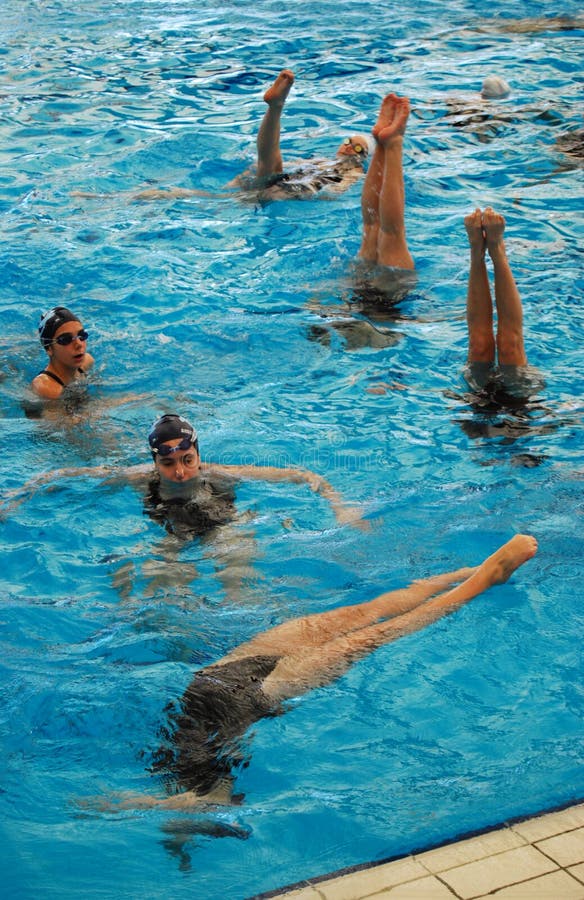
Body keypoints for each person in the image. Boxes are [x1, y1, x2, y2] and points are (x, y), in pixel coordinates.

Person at [98, 533, 537, 809]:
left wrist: (126, 806)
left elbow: (204, 802)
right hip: (217, 675)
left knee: (371, 638)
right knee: (362, 616)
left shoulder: (205, 785)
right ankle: (465, 573)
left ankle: (481, 579)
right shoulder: (177, 749)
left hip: (255, 694)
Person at [1, 413, 365, 536]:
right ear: (155, 463)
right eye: (169, 464)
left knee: (236, 568)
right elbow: (62, 474)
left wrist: (342, 507)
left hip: (221, 524)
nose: (179, 471)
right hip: (171, 532)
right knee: (168, 581)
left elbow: (303, 476)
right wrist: (17, 496)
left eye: (188, 460)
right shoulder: (138, 477)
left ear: (198, 454)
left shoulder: (223, 473)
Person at [129, 69, 369, 203]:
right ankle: (275, 106)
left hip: (302, 186)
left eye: (357, 149)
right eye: (348, 142)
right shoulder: (321, 159)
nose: (349, 148)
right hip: (294, 183)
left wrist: (322, 196)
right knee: (266, 167)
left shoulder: (356, 171)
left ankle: (276, 107)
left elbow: (341, 189)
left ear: (364, 156)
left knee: (220, 196)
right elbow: (302, 171)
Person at [463, 206, 544, 402]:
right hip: (520, 413)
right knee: (510, 346)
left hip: (480, 412)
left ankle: (480, 251)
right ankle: (493, 250)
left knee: (480, 345)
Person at [31, 306, 94, 400]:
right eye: (66, 339)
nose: (79, 344)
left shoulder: (86, 362)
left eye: (81, 335)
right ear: (49, 348)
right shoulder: (47, 388)